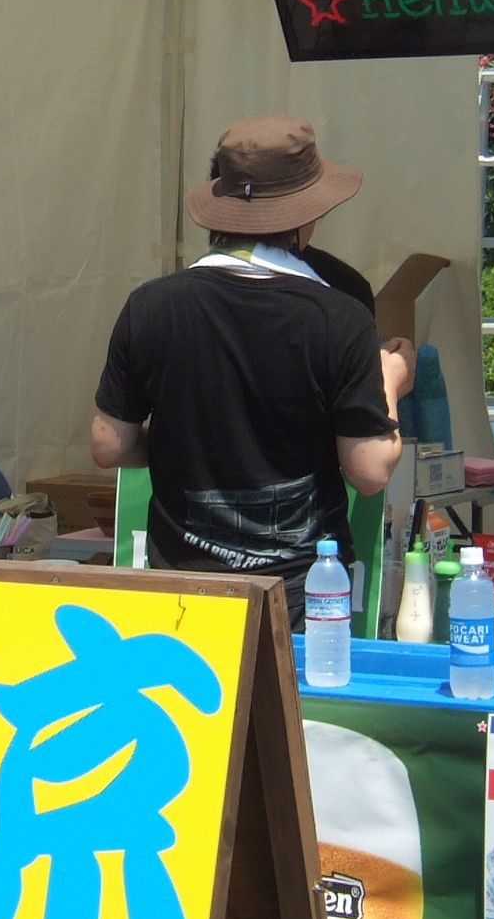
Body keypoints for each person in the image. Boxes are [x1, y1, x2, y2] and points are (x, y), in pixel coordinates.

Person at [91, 117, 410, 625]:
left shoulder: (151, 306)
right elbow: (369, 471)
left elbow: (110, 446)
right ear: (307, 214)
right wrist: (389, 378)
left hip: (182, 587)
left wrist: (184, 445)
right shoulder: (340, 317)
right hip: (302, 595)